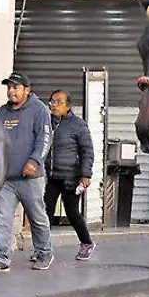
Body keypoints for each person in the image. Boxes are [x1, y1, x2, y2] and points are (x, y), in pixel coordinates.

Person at [0, 73, 54, 272]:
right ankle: (1, 258)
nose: (11, 91)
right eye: (9, 87)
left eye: (16, 87)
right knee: (1, 218)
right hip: (5, 178)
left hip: (30, 177)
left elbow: (45, 138)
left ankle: (44, 253)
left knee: (37, 217)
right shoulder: (2, 112)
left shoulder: (39, 110)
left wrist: (34, 161)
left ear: (27, 90)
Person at [45, 90, 96, 261]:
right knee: (45, 213)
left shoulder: (78, 125)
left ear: (68, 106)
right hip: (50, 177)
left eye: (58, 102)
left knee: (72, 213)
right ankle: (43, 249)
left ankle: (87, 243)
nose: (54, 105)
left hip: (70, 177)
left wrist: (86, 174)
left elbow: (87, 151)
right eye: (52, 101)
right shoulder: (46, 122)